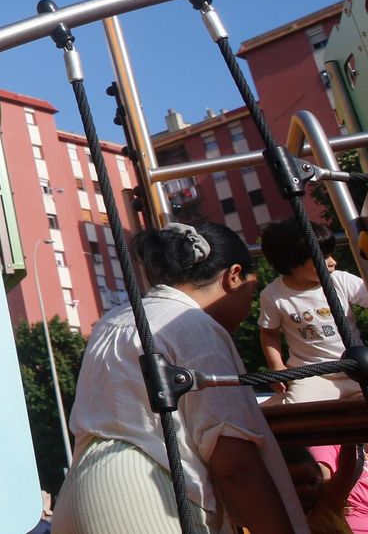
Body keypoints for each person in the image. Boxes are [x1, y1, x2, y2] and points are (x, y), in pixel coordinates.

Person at [51, 222, 307, 534]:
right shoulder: (194, 325)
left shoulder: (113, 320)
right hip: (145, 493)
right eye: (251, 292)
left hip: (79, 490)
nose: (249, 305)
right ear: (234, 276)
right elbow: (234, 464)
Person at [259, 219, 368, 403]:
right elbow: (269, 333)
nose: (333, 262)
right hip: (314, 376)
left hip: (358, 368)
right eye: (324, 257)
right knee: (297, 406)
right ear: (293, 261)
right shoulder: (273, 295)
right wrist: (276, 365)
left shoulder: (340, 280)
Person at [285, 444, 363, 534]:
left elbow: (346, 472)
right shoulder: (277, 512)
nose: (307, 488)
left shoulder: (326, 499)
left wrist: (349, 441)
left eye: (313, 482)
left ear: (320, 478)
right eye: (298, 483)